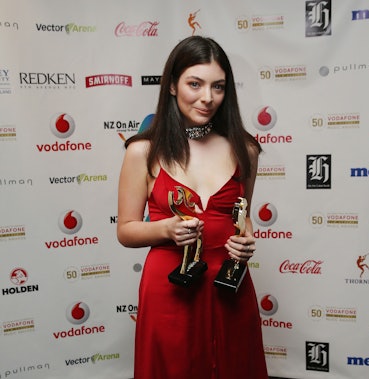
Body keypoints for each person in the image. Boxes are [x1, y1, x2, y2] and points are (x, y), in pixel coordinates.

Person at [117, 35, 268, 379]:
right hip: (170, 290)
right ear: (172, 85)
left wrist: (245, 240)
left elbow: (241, 218)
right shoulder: (143, 151)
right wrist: (165, 229)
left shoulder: (246, 149)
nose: (207, 97)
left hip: (230, 288)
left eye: (218, 86)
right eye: (195, 84)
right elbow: (125, 230)